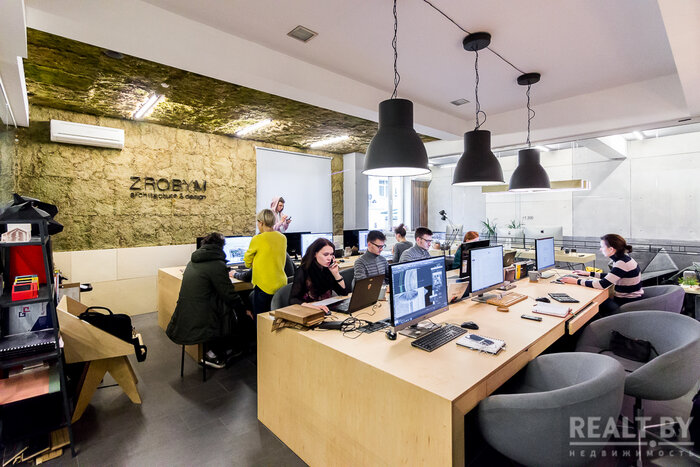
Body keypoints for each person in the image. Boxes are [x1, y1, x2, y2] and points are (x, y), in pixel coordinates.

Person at [166, 232, 251, 369]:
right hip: (203, 317)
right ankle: (216, 352)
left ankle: (220, 349)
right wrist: (244, 310)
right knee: (233, 310)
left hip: (185, 314)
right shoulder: (217, 264)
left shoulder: (192, 262)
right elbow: (229, 294)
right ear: (221, 247)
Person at [561, 233, 643, 316]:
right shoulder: (624, 258)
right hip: (631, 298)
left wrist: (576, 281)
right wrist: (589, 273)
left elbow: (602, 284)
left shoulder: (621, 263)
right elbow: (612, 276)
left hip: (626, 302)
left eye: (602, 247)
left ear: (611, 249)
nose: (600, 249)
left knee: (589, 303)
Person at [243, 209, 288, 315]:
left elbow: (247, 262)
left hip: (264, 286)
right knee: (277, 319)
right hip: (281, 285)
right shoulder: (282, 238)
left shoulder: (257, 239)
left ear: (261, 223)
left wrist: (253, 263)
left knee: (261, 320)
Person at [290, 237, 347, 313]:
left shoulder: (327, 269)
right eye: (325, 255)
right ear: (315, 254)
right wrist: (313, 307)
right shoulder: (303, 270)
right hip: (309, 311)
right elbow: (293, 299)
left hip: (325, 309)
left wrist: (336, 274)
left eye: (331, 254)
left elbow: (343, 292)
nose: (329, 258)